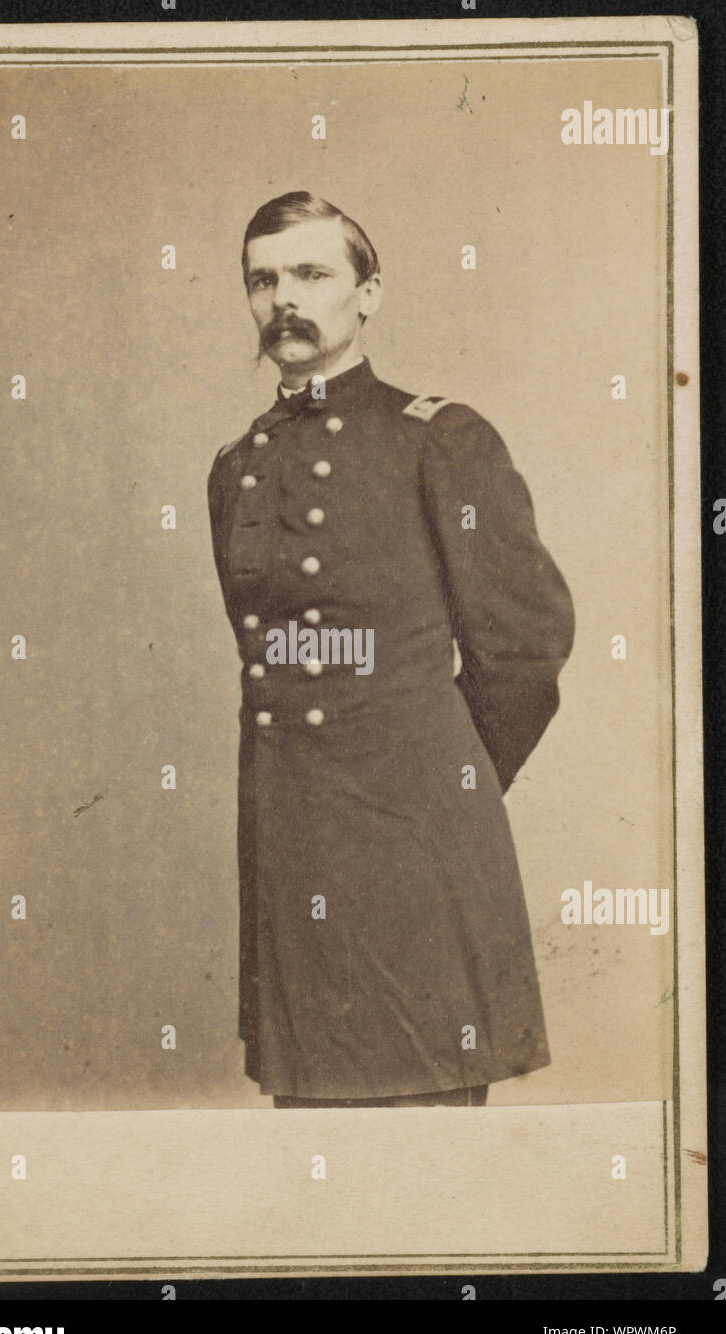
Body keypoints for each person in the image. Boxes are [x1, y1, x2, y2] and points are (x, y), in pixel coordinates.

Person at [207, 191, 575, 1108]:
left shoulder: (438, 439)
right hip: (291, 853)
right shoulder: (234, 467)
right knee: (313, 1158)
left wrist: (440, 782)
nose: (283, 298)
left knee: (424, 1157)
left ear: (368, 294)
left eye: (312, 273)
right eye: (263, 279)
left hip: (416, 852)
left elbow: (523, 652)